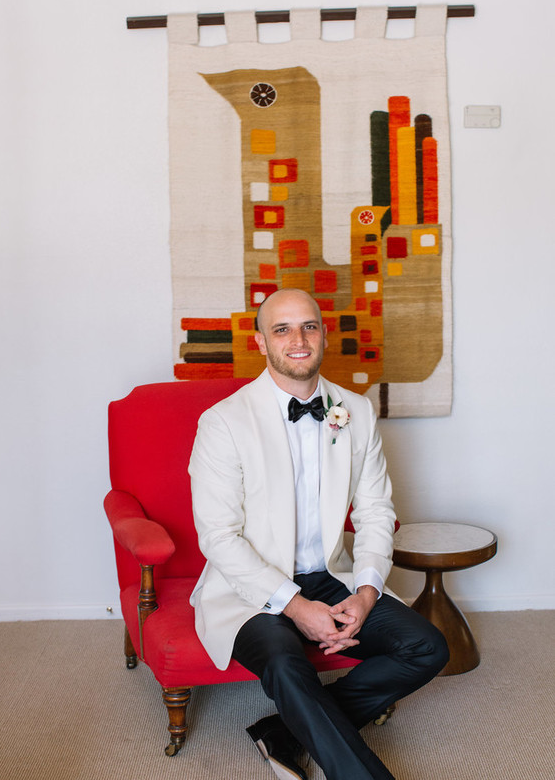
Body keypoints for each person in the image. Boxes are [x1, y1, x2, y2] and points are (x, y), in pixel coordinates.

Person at [189, 289, 449, 780]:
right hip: (251, 588)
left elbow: (375, 511)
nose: (298, 340)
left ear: (324, 334)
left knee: (427, 647)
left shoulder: (355, 411)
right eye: (282, 329)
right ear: (262, 343)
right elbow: (220, 538)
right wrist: (293, 605)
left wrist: (368, 592)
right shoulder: (223, 423)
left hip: (330, 573)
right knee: (288, 666)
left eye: (308, 326)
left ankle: (285, 733)